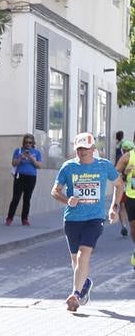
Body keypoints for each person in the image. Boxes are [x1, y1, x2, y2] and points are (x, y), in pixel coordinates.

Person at [51, 133, 123, 311]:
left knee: (84, 254)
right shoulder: (68, 167)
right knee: (75, 260)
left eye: (85, 148)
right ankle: (85, 284)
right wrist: (67, 200)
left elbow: (119, 185)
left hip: (94, 218)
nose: (82, 152)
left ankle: (75, 294)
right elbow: (55, 190)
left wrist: (114, 207)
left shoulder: (103, 165)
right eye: (79, 149)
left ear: (93, 149)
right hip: (72, 219)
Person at [6, 133, 43, 226]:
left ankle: (24, 219)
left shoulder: (36, 152)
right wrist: (20, 158)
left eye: (30, 142)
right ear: (23, 143)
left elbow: (39, 166)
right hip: (19, 176)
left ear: (33, 143)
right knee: (16, 198)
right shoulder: (18, 151)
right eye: (26, 142)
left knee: (27, 198)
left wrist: (32, 159)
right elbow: (14, 164)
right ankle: (9, 218)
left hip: (31, 177)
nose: (28, 144)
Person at [116, 134, 133, 240]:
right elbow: (116, 174)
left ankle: (124, 226)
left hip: (126, 189)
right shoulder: (125, 158)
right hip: (127, 188)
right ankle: (126, 226)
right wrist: (125, 174)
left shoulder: (122, 158)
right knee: (124, 207)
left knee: (122, 207)